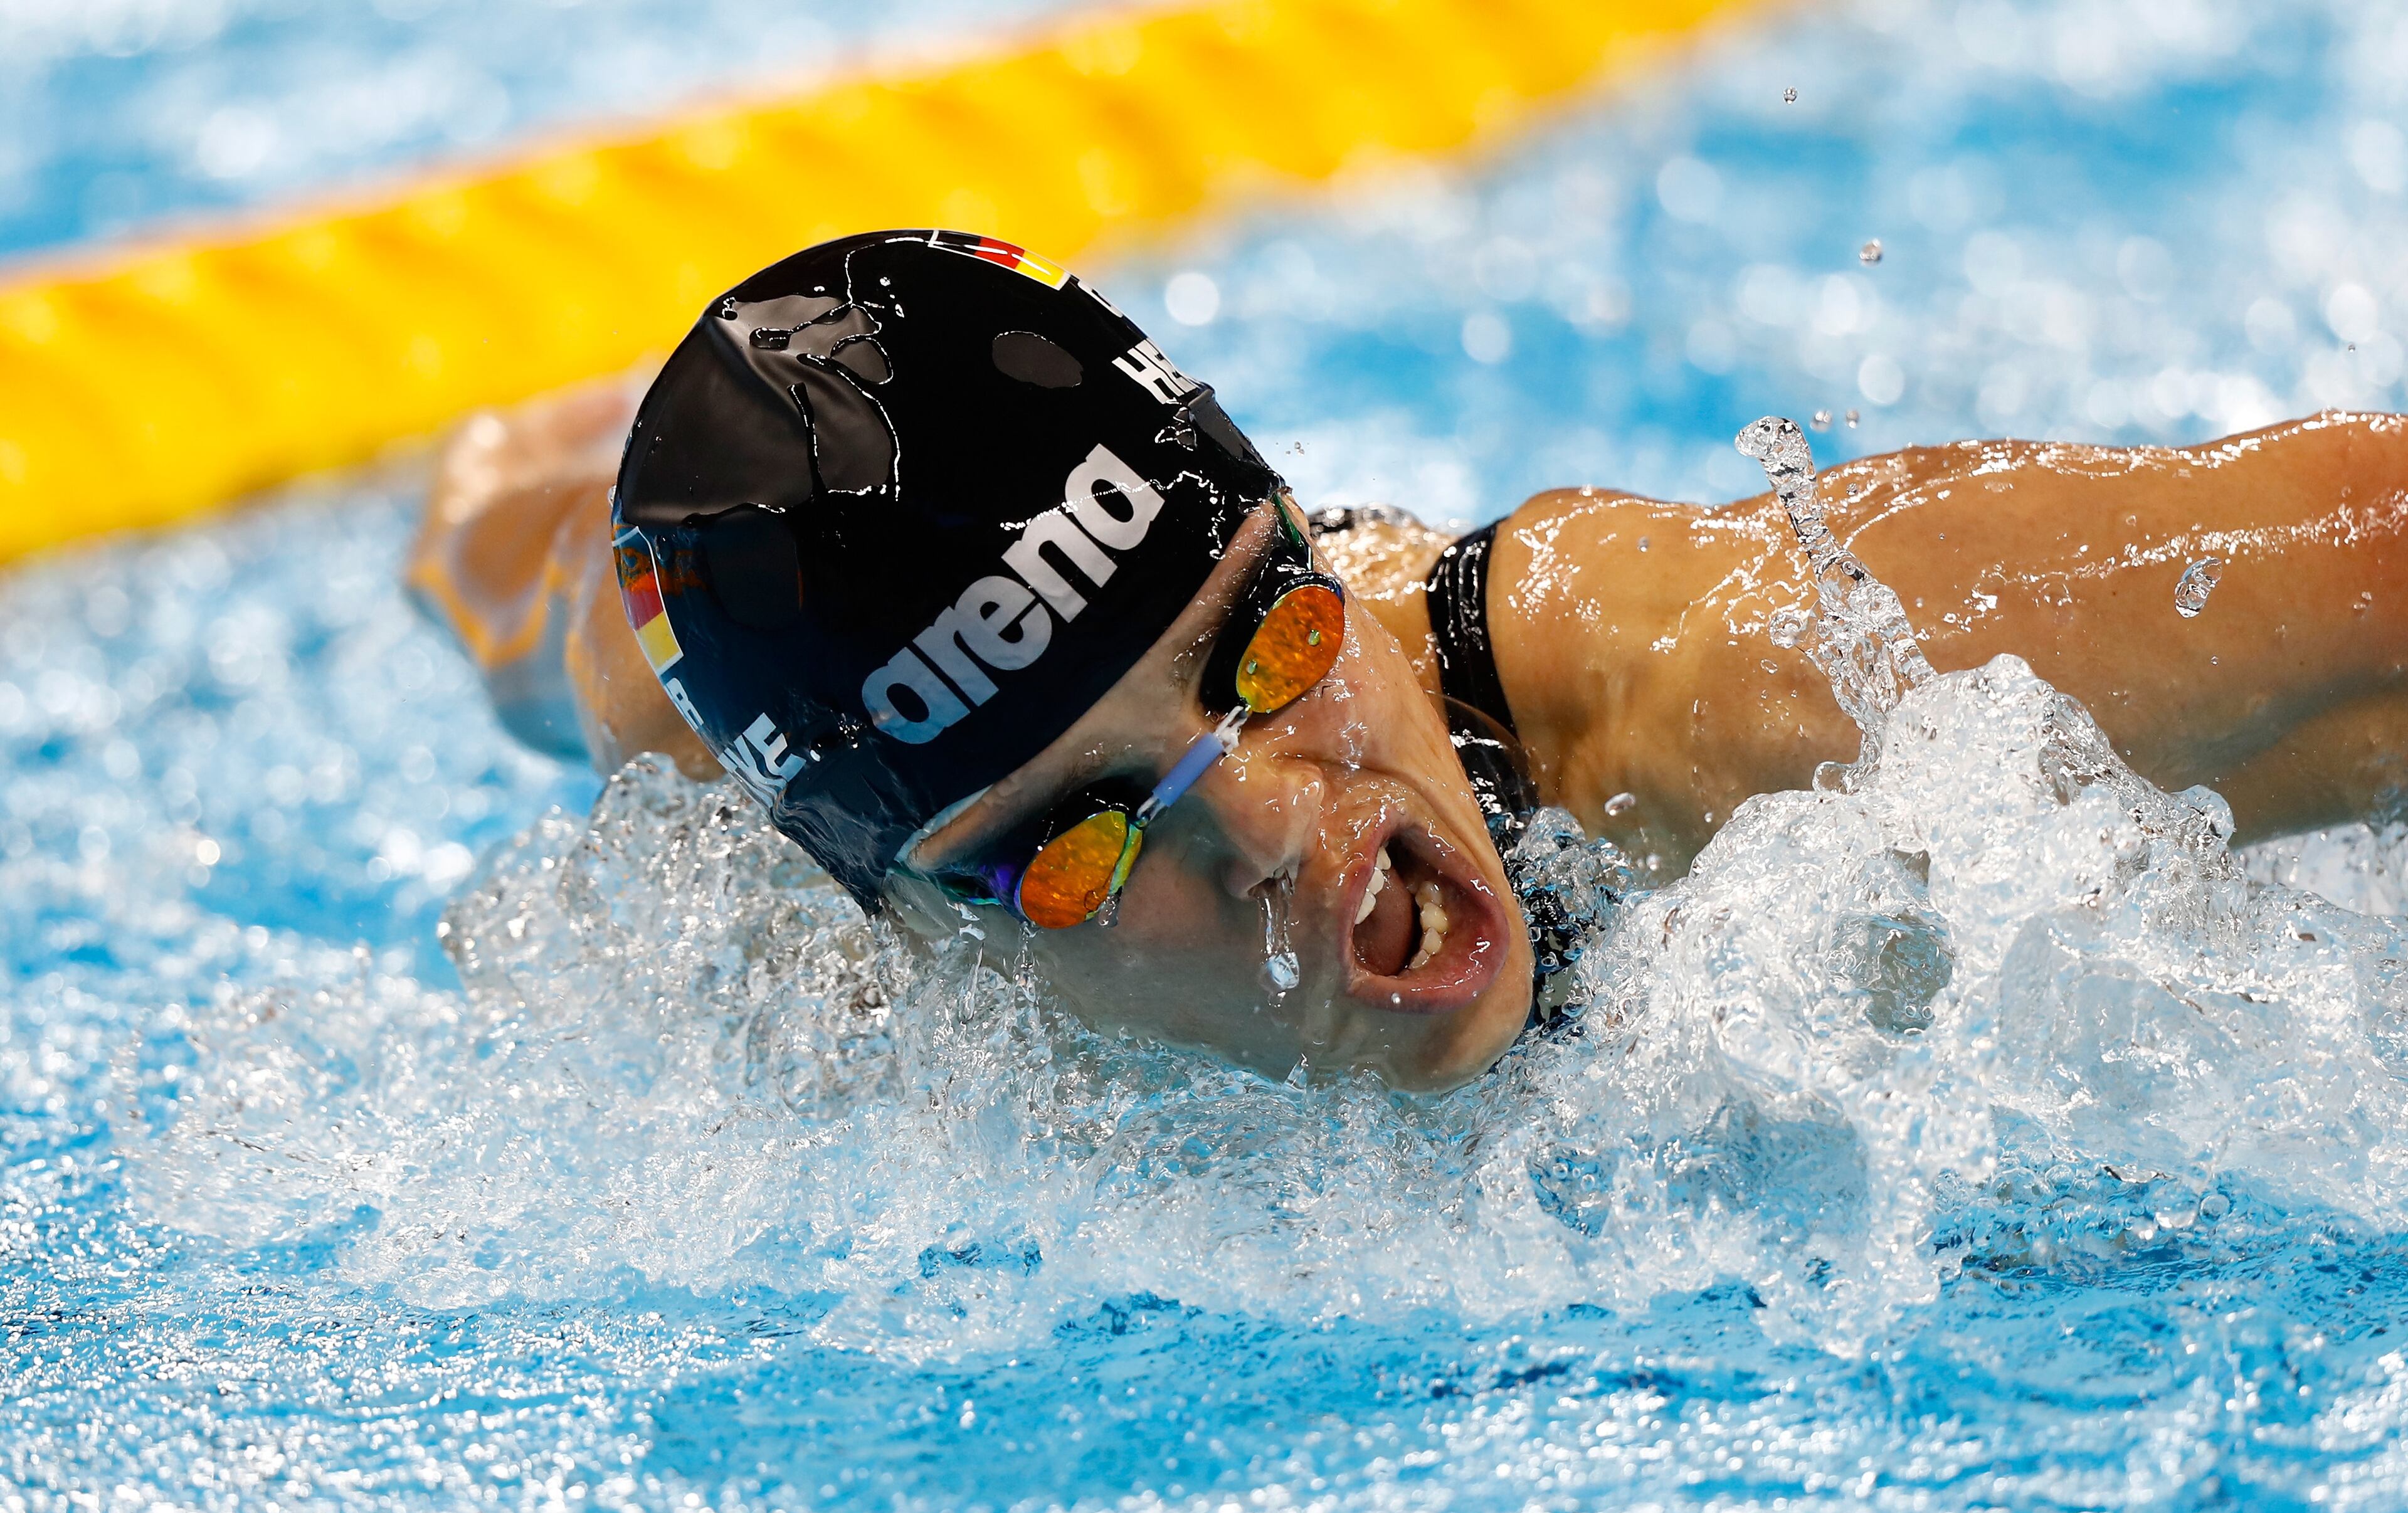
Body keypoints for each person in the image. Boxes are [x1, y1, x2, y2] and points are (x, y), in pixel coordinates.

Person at [410, 229, 2408, 1092]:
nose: (1287, 830)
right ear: (919, 925)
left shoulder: (1742, 694)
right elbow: (530, 584)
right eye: (1086, 847)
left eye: (1268, 647)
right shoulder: (763, 853)